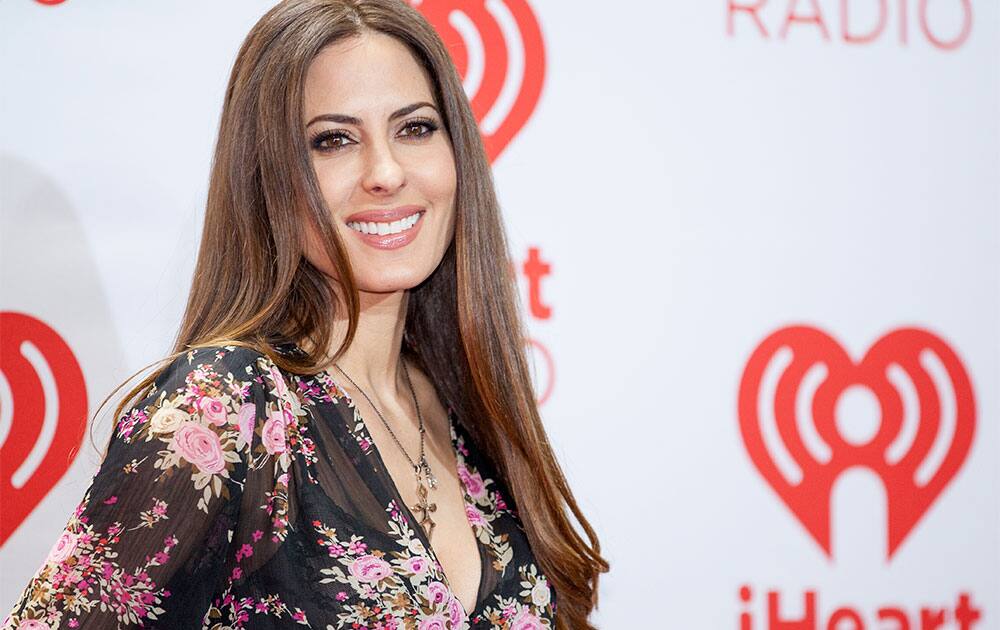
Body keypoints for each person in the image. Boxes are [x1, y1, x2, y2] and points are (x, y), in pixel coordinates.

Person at [2, 1, 607, 628]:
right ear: (269, 180)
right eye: (334, 140)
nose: (386, 172)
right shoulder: (225, 402)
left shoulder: (471, 408)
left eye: (415, 128)